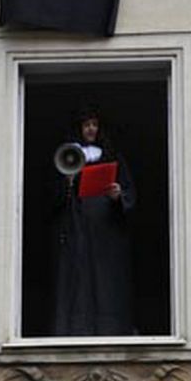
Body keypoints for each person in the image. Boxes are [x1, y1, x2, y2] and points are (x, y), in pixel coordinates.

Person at [52, 105, 136, 336]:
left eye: (94, 124)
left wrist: (118, 195)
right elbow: (54, 197)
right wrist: (67, 182)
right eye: (86, 125)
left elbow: (129, 192)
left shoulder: (112, 156)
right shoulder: (69, 154)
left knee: (106, 281)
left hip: (105, 228)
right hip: (77, 226)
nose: (91, 129)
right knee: (78, 279)